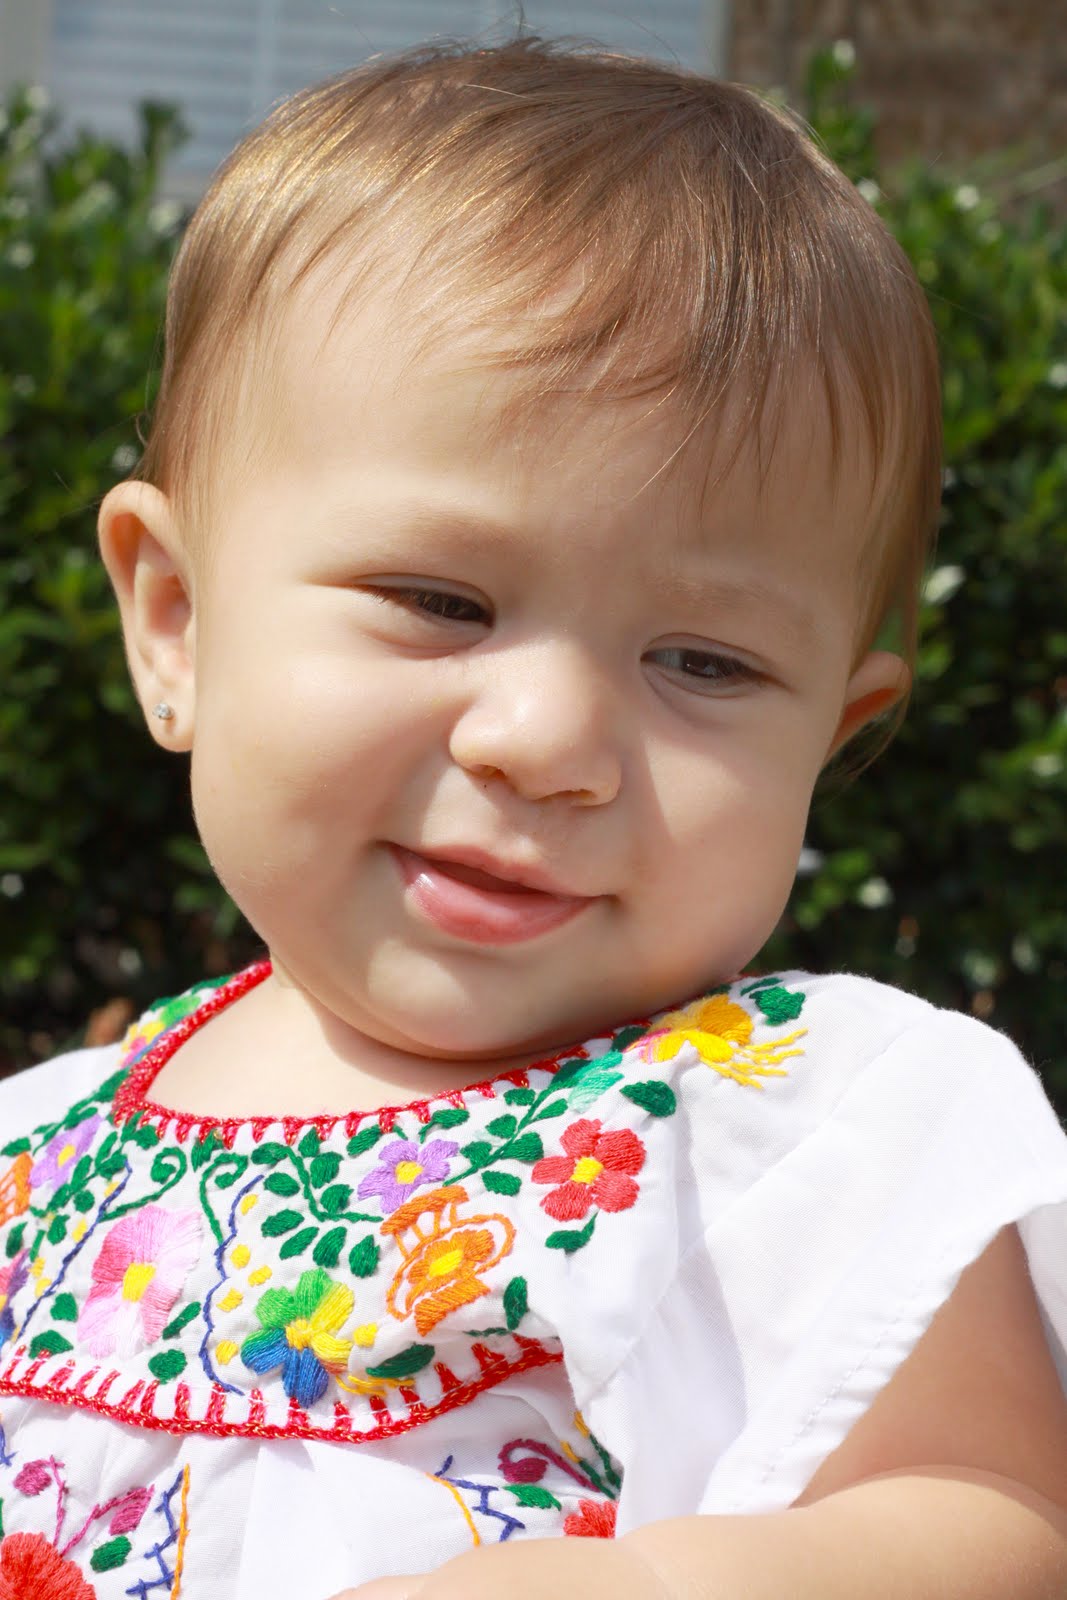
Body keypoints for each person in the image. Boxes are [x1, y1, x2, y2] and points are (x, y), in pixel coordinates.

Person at [1, 35, 1065, 1600]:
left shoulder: (793, 1127)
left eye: (704, 663)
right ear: (177, 622)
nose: (551, 743)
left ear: (830, 738)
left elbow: (990, 1515)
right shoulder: (36, 1146)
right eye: (441, 600)